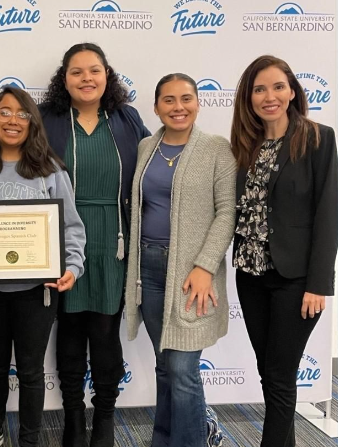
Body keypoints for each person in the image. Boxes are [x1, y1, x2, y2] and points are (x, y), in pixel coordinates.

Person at [0, 86, 86, 447]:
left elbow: (71, 226)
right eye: (5, 112)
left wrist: (72, 267)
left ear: (32, 122)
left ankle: (30, 438)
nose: (13, 120)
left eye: (22, 113)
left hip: (37, 291)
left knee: (30, 370)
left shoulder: (50, 168)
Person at [39, 42, 150, 447]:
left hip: (112, 240)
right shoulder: (47, 119)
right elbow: (11, 155)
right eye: (77, 71)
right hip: (60, 238)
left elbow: (156, 166)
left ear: (107, 76)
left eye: (94, 70)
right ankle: (73, 420)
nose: (86, 78)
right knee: (68, 333)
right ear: (63, 78)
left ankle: (104, 419)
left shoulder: (126, 118)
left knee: (105, 334)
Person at [230, 55, 338, 447]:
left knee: (279, 375)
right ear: (249, 97)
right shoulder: (245, 145)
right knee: (272, 373)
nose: (269, 96)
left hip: (296, 279)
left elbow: (328, 213)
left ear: (292, 90)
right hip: (250, 276)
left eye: (277, 86)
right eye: (259, 89)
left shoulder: (318, 138)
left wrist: (319, 284)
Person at [125, 74, 236, 447]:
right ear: (156, 107)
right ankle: (166, 439)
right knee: (164, 365)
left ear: (198, 103)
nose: (178, 107)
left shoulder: (216, 148)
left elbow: (227, 213)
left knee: (183, 369)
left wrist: (205, 266)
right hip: (149, 270)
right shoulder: (146, 147)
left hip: (192, 274)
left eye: (186, 98)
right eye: (169, 100)